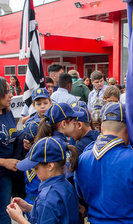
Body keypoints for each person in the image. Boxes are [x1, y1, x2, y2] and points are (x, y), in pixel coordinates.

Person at [6, 136, 80, 224]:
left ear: (50, 166)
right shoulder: (66, 185)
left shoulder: (46, 198)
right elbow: (55, 214)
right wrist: (28, 207)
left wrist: (19, 218)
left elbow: (48, 207)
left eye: (36, 168)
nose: (34, 171)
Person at [0, 77, 19, 223]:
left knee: (5, 211)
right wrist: (4, 162)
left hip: (7, 175)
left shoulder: (7, 112)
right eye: (7, 92)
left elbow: (12, 133)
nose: (11, 95)